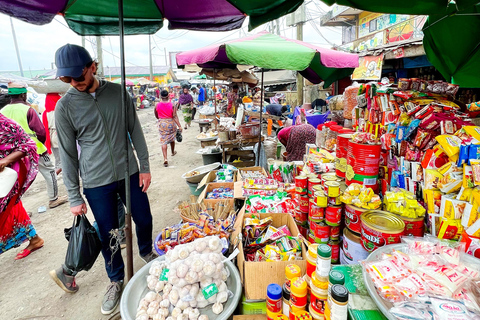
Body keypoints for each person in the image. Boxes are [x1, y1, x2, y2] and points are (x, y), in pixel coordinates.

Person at [49, 44, 157, 315]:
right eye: (67, 79)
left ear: (92, 66)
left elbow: (136, 130)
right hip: (96, 181)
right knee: (109, 233)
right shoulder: (65, 107)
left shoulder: (119, 93)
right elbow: (68, 156)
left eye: (78, 75)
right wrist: (74, 195)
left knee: (143, 218)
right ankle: (115, 280)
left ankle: (147, 253)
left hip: (129, 171)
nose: (74, 83)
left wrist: (144, 166)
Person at [1, 82, 68, 209]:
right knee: (49, 172)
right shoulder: (28, 110)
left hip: (12, 153)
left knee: (16, 180)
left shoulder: (3, 111)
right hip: (34, 149)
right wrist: (39, 144)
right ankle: (53, 199)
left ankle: (19, 209)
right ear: (23, 95)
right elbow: (41, 132)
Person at [0, 114, 44, 260]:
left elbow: (28, 144)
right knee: (13, 206)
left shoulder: (3, 123)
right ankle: (34, 238)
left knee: (7, 206)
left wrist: (5, 160)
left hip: (7, 173)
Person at [155, 90, 182, 167]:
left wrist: (161, 119)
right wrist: (179, 126)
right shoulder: (172, 105)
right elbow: (175, 116)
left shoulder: (157, 105)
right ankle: (173, 152)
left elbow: (156, 115)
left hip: (162, 123)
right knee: (172, 138)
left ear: (160, 96)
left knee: (163, 141)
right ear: (168, 96)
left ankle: (165, 159)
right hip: (171, 122)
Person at [42, 93, 62, 175]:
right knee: (63, 159)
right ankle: (55, 174)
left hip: (51, 137)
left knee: (57, 158)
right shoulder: (60, 111)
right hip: (60, 135)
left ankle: (55, 174)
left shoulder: (45, 113)